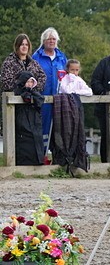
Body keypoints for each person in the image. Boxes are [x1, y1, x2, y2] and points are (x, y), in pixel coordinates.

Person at [1, 34, 48, 165]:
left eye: (26, 44)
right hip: (15, 107)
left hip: (31, 107)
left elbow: (42, 77)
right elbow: (6, 83)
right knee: (16, 134)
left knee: (32, 135)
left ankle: (32, 161)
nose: (24, 47)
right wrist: (22, 85)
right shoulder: (9, 62)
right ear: (17, 46)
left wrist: (33, 86)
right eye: (22, 44)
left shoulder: (33, 63)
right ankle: (13, 162)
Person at [31, 27, 68, 153]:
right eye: (48, 39)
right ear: (43, 41)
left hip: (59, 99)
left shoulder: (62, 57)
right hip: (42, 98)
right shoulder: (36, 57)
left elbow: (67, 76)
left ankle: (58, 155)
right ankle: (41, 154)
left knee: (59, 127)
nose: (51, 41)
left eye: (54, 39)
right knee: (42, 126)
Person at [54, 60, 91, 175]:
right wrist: (72, 81)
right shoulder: (64, 79)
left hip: (76, 108)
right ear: (67, 70)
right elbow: (67, 90)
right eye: (72, 70)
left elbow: (89, 91)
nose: (74, 73)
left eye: (76, 70)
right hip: (64, 108)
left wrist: (76, 90)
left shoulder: (78, 79)